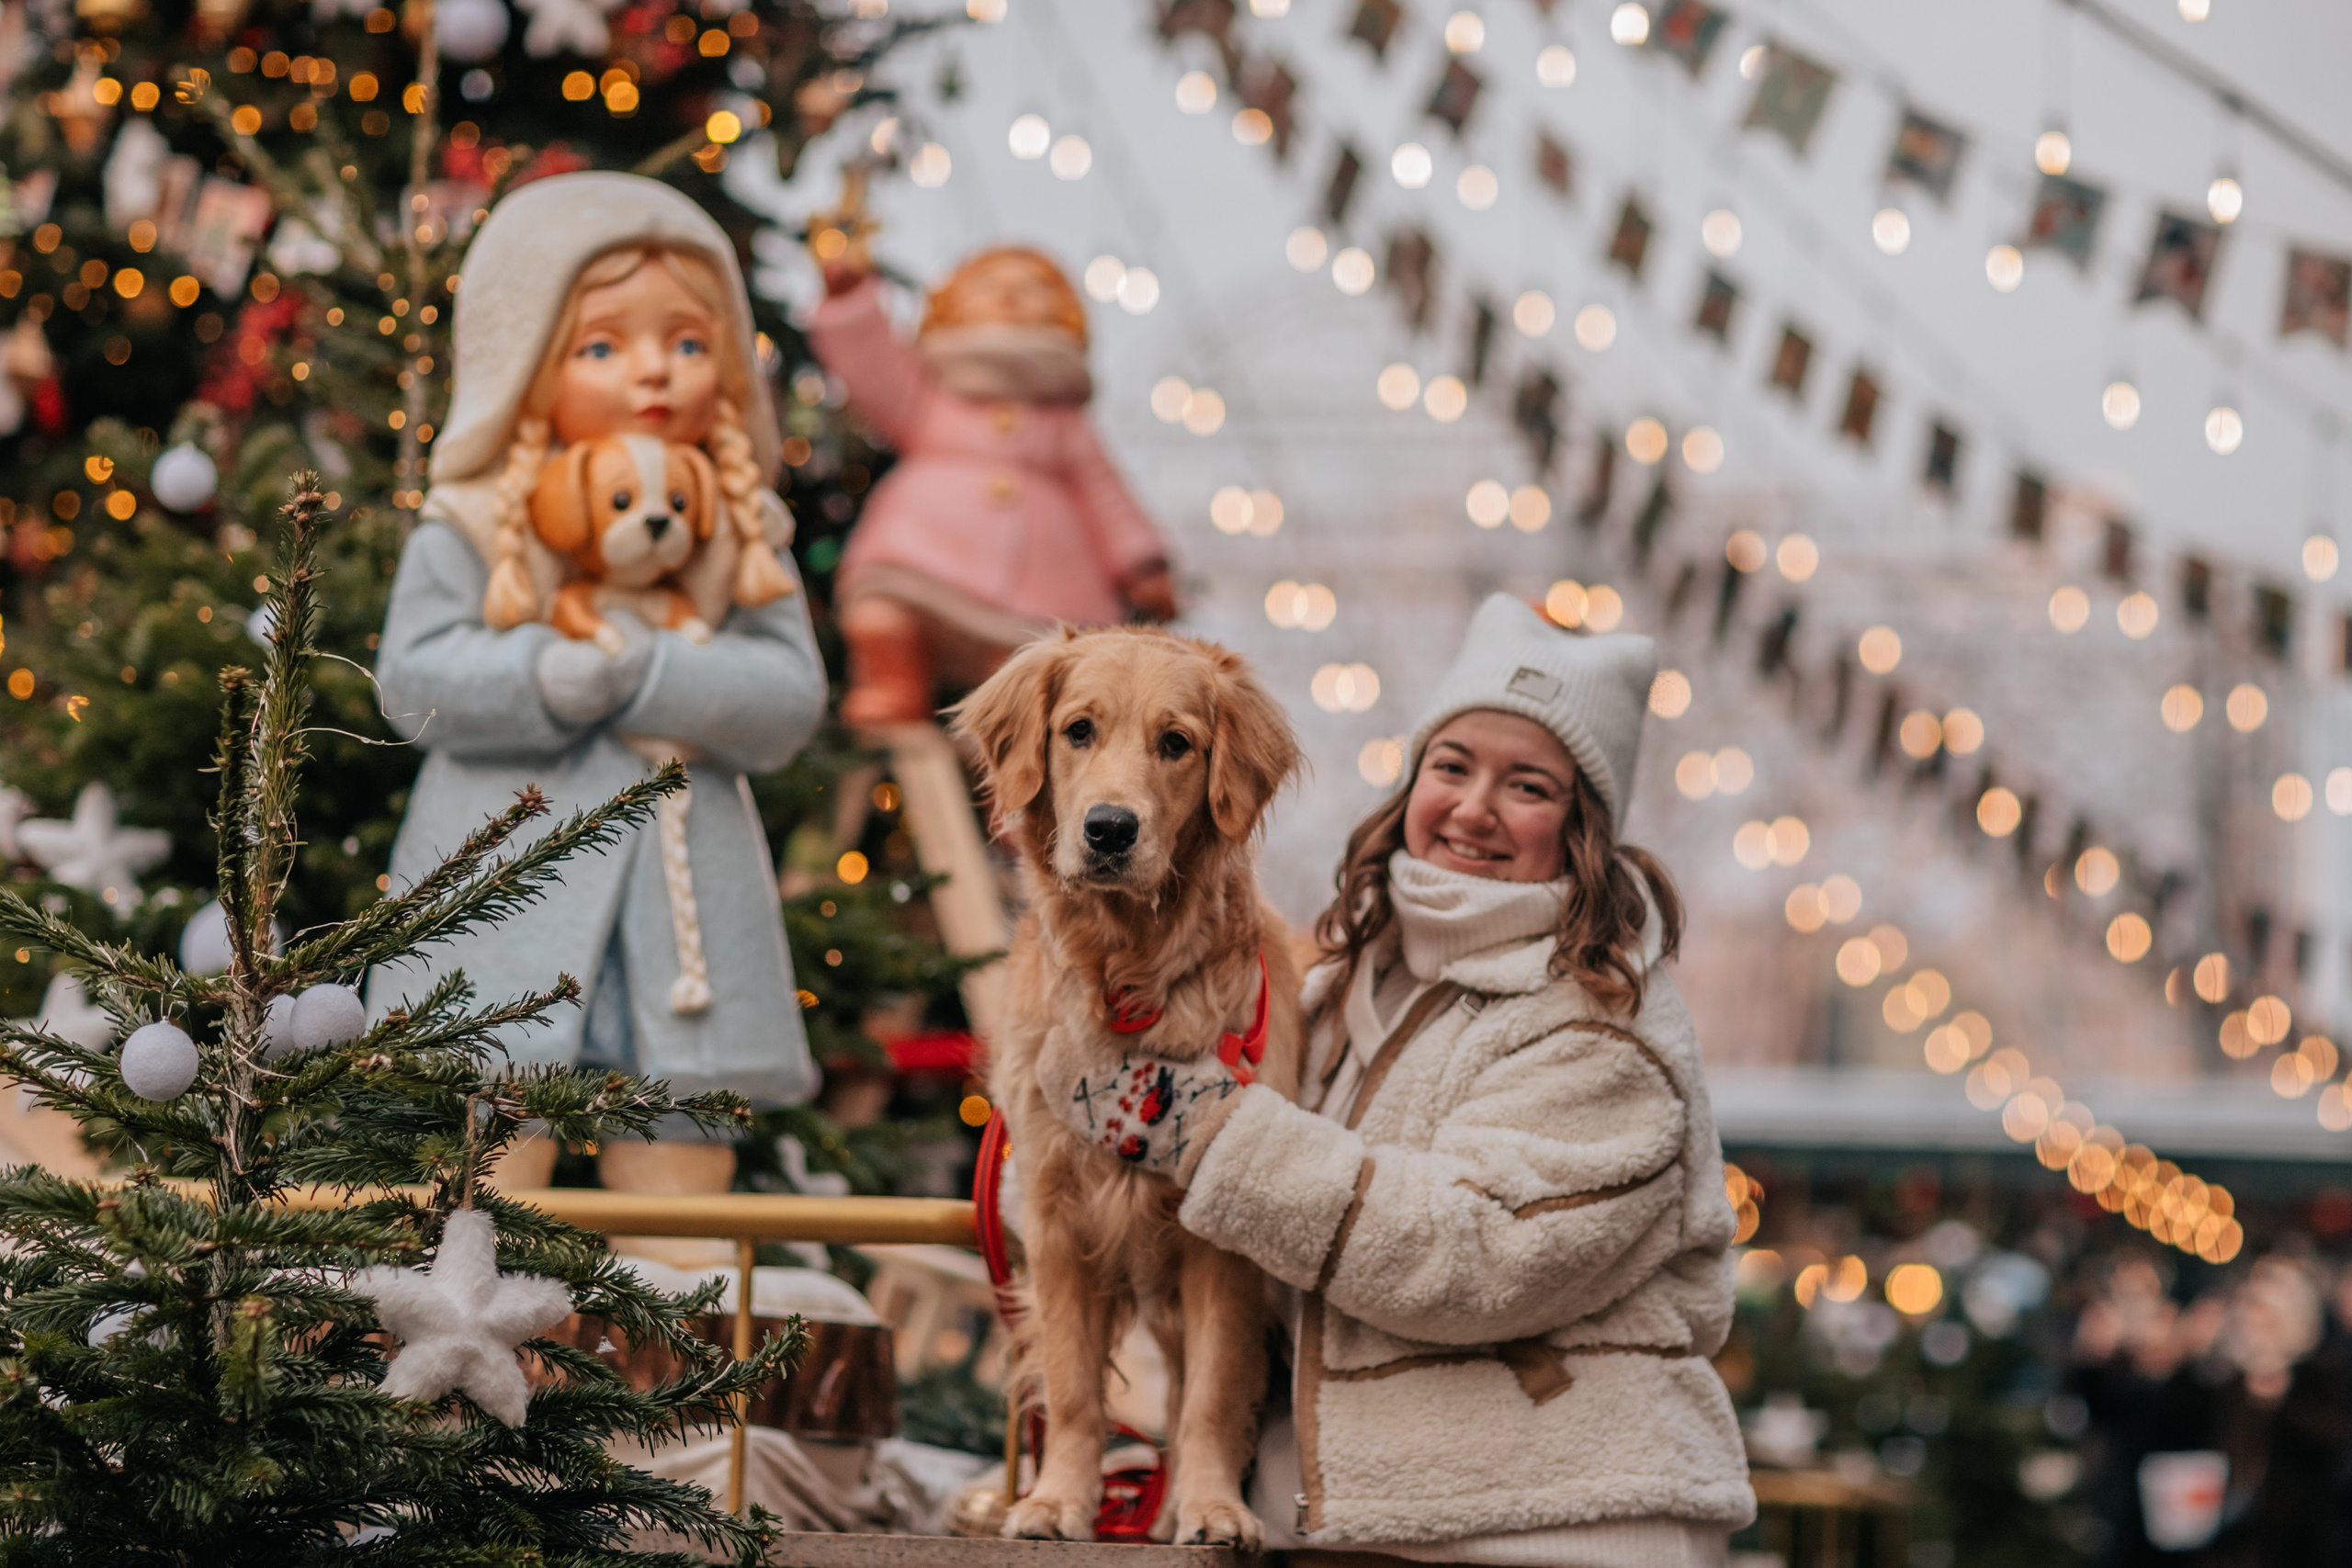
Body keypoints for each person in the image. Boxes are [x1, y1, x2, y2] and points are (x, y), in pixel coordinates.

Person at [1039, 592, 1755, 1564]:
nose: (1474, 807)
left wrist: (1203, 1128)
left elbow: (1471, 1257)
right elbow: (1217, 1254)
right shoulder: (1338, 987)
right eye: (1451, 766)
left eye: (1528, 785)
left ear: (1584, 825)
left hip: (1558, 1524)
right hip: (1359, 1522)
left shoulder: (1603, 1026)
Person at [368, 174, 824, 1190]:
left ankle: (683, 1291)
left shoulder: (742, 538)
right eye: (605, 347)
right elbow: (412, 683)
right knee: (482, 1182)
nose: (653, 371)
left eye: (688, 342)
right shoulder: (471, 528)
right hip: (504, 895)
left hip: (685, 912)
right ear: (525, 361)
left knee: (681, 1189)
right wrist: (541, 674)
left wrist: (654, 669)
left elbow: (788, 700)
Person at [807, 245, 1177, 728]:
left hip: (1042, 582)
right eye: (987, 286)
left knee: (1029, 667)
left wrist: (1142, 565)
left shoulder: (1064, 420)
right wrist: (850, 303)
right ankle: (894, 685)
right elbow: (874, 372)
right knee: (884, 612)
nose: (1008, 296)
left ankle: (1011, 736)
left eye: (1033, 289)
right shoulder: (928, 394)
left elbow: (1105, 495)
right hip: (920, 552)